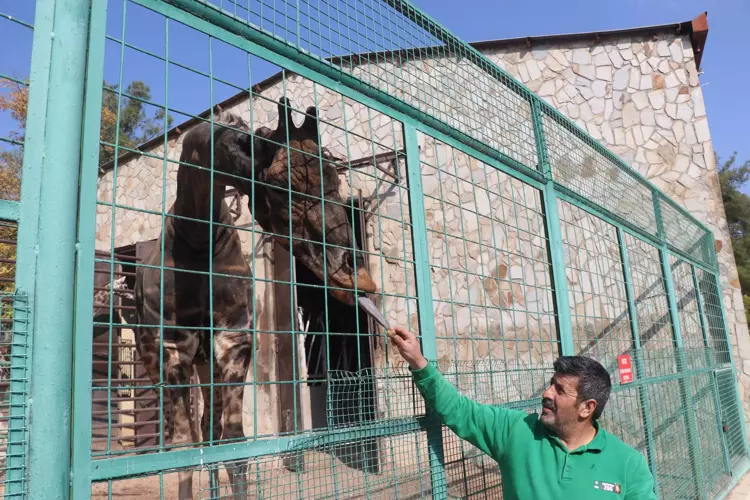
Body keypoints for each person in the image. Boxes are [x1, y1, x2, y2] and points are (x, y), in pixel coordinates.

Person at [388, 326, 657, 500]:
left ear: (587, 408)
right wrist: (419, 362)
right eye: (551, 383)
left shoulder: (629, 465)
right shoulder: (515, 430)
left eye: (560, 390)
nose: (547, 393)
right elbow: (460, 411)